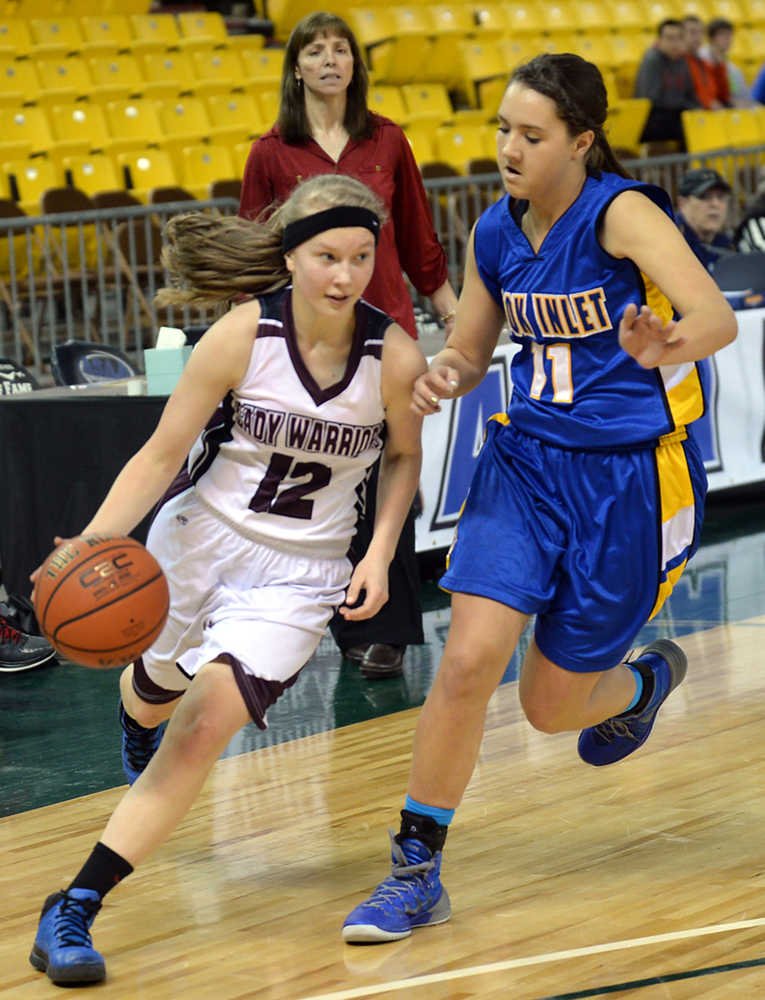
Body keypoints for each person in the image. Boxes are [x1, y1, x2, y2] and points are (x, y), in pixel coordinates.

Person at [342, 52, 737, 944]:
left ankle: (640, 682)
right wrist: (445, 372)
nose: (508, 148)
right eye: (502, 130)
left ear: (581, 141)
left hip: (627, 477)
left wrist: (659, 345)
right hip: (523, 465)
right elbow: (473, 349)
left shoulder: (623, 211)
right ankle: (414, 869)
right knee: (469, 660)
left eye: (530, 134)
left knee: (550, 709)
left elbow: (711, 318)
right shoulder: (495, 230)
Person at [28, 172, 426, 985]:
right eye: (326, 256)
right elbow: (161, 454)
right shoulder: (243, 335)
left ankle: (73, 905)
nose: (345, 275)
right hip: (197, 543)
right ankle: (141, 709)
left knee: (201, 730)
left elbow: (403, 456)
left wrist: (381, 552)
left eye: (360, 256)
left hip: (301, 574)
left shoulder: (394, 354)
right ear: (290, 255)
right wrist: (93, 540)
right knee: (153, 691)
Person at [239, 11, 459, 679]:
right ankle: (322, 621)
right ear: (296, 67)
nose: (331, 60)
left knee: (393, 468)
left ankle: (383, 629)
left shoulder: (387, 141)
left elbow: (417, 234)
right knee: (329, 477)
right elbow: (257, 246)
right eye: (316, 50)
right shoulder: (269, 150)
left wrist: (449, 313)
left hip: (384, 333)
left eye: (341, 50)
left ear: (356, 67)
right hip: (304, 338)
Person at [634, 19, 700, 147]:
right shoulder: (652, 60)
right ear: (659, 40)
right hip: (651, 119)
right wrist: (684, 106)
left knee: (700, 122)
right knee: (686, 128)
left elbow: (690, 94)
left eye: (679, 38)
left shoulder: (682, 61)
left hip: (676, 115)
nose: (674, 43)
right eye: (669, 38)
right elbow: (650, 99)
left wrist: (698, 110)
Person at [676, 167, 736, 268]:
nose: (715, 204)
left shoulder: (727, 245)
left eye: (720, 197)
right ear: (682, 203)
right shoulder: (670, 242)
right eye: (704, 196)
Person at [700, 18, 752, 108]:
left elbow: (742, 97)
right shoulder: (699, 60)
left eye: (729, 34)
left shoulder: (734, 70)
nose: (727, 38)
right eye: (722, 34)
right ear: (711, 38)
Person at [682, 14, 729, 110]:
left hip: (710, 115)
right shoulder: (679, 63)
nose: (698, 37)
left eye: (700, 32)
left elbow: (722, 95)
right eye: (692, 32)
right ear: (681, 35)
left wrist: (719, 66)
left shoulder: (704, 64)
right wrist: (709, 104)